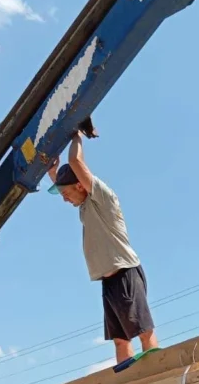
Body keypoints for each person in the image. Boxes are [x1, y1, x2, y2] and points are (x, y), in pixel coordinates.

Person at [48, 132, 159, 365]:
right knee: (120, 340)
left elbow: (76, 162)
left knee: (143, 331)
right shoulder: (83, 206)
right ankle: (127, 379)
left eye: (66, 194)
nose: (65, 199)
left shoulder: (103, 198)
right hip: (108, 281)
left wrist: (76, 134)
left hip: (125, 272)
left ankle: (157, 370)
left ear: (80, 185)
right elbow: (67, 183)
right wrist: (53, 172)